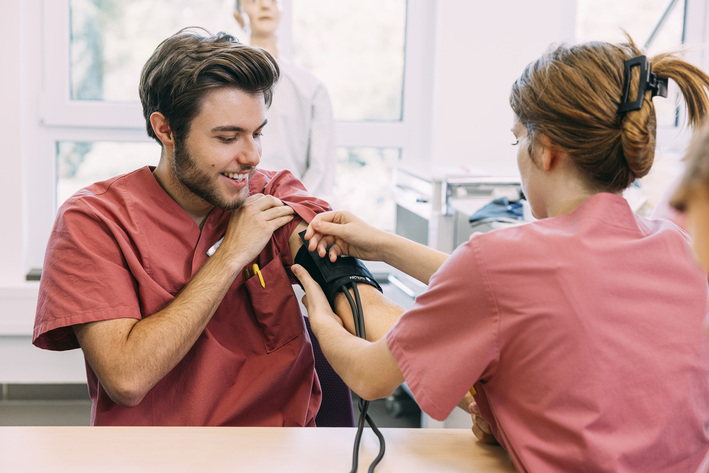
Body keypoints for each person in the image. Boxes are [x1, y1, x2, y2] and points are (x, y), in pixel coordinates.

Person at [292, 37, 709, 472]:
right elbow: (506, 288)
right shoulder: (680, 247)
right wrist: (383, 245)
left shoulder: (500, 263)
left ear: (546, 149)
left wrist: (318, 312)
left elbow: (368, 376)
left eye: (516, 141)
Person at [32, 27, 397, 427]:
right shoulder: (93, 222)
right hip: (151, 458)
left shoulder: (272, 195)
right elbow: (127, 377)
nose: (252, 156)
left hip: (281, 453)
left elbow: (358, 300)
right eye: (228, 138)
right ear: (166, 129)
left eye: (257, 133)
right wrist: (229, 256)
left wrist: (466, 373)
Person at [233, 0, 337, 199]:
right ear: (238, 16)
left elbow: (321, 168)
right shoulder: (221, 86)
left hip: (296, 207)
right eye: (254, 0)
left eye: (273, 0)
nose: (265, 6)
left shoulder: (311, 87)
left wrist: (297, 209)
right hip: (235, 204)